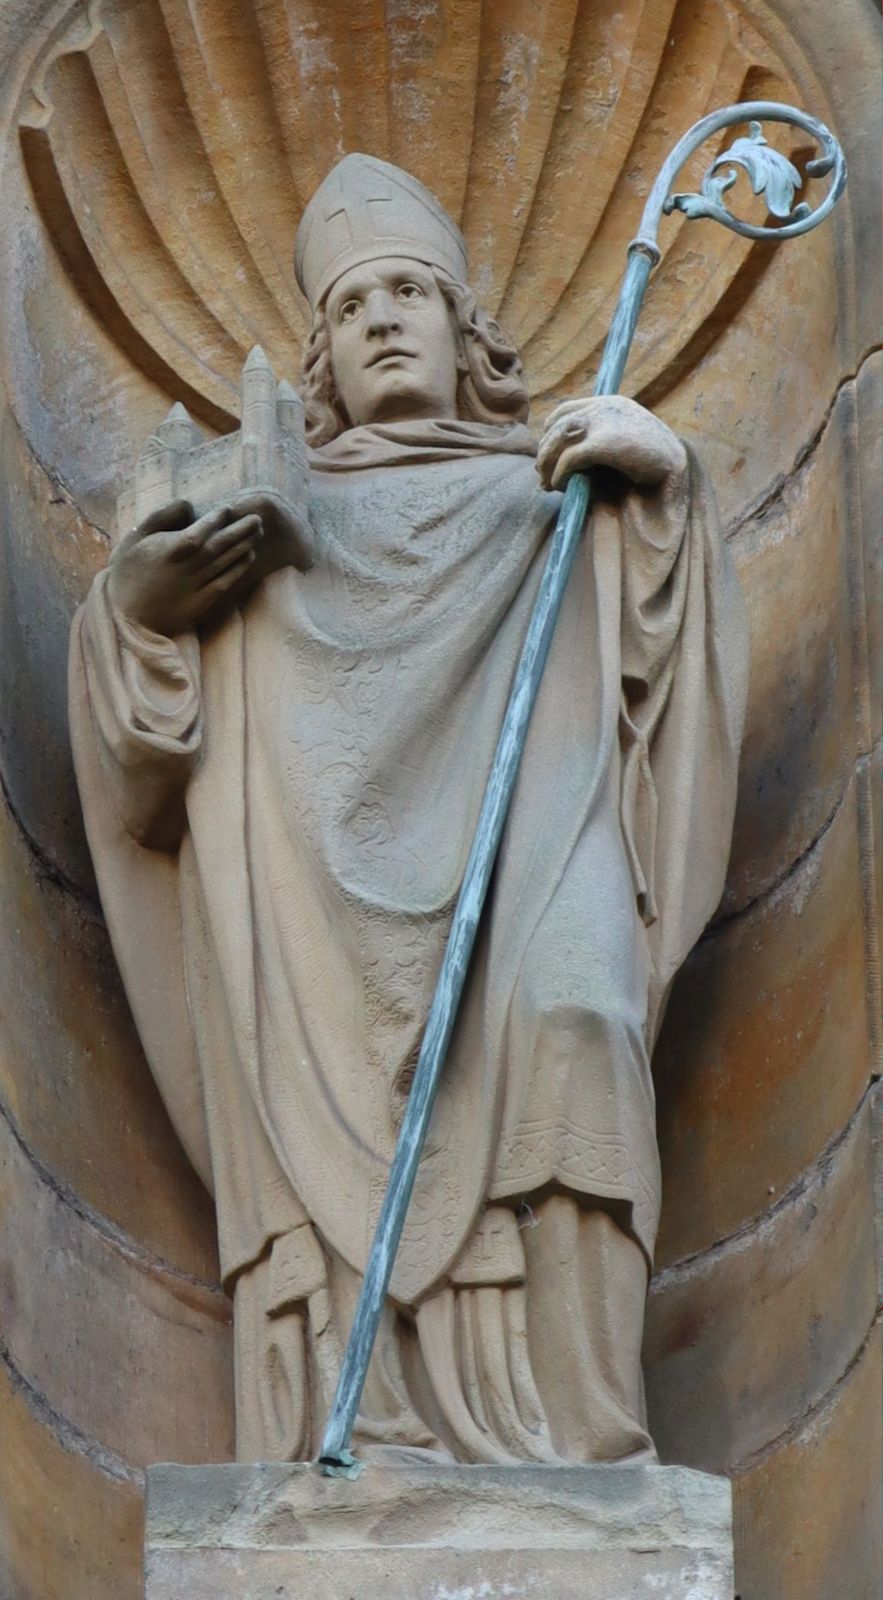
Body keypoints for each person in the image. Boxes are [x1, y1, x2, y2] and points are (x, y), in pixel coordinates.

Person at [69, 153, 748, 1465]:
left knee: (576, 1017)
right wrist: (145, 615)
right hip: (304, 912)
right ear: (321, 354)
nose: (381, 318)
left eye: (407, 294)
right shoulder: (263, 517)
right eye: (351, 306)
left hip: (538, 859)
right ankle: (357, 1424)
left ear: (461, 329)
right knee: (310, 1069)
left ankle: (576, 1434)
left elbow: (661, 687)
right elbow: (144, 752)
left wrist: (663, 482)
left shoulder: (551, 496)